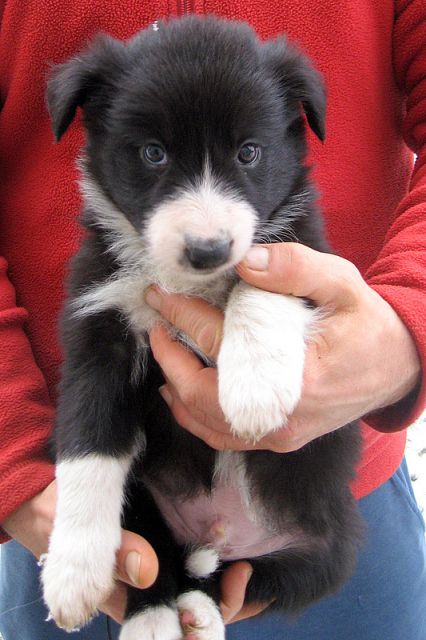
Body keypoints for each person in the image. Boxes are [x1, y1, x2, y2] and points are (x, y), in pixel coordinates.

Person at [0, 1, 425, 639]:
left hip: (327, 500)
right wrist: (23, 476)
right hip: (68, 503)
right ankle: (166, 594)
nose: (206, 224)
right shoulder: (111, 255)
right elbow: (98, 385)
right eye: (151, 154)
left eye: (247, 153)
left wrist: (406, 325)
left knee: (322, 561)